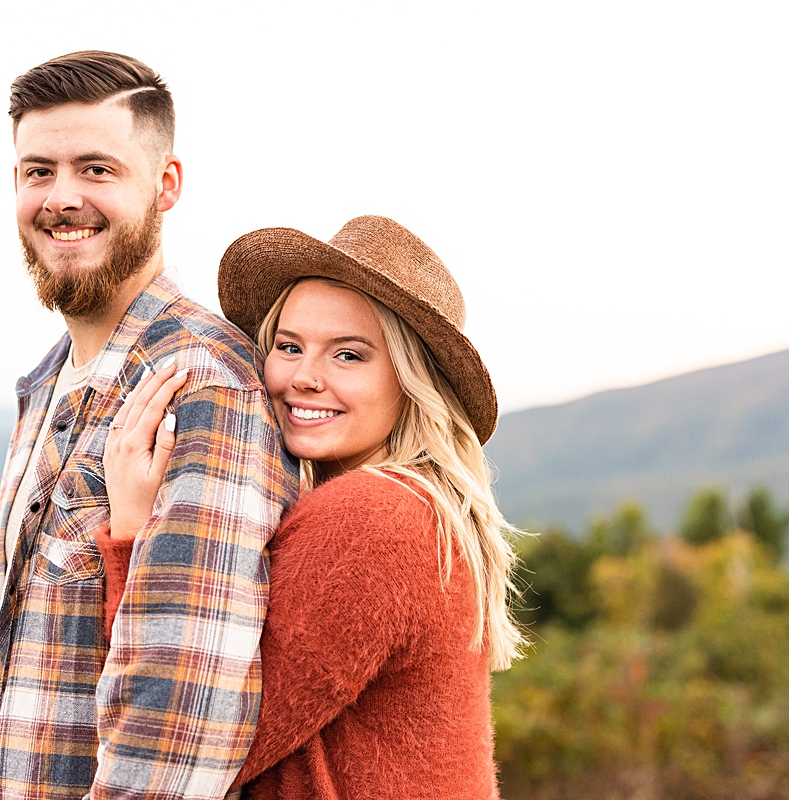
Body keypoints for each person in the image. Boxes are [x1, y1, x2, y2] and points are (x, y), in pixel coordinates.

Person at [0, 51, 298, 800]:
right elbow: (1, 708)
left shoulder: (201, 383)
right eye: (38, 171)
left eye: (97, 170)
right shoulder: (47, 385)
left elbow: (184, 715)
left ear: (165, 184)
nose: (62, 197)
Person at [101, 215, 527, 799]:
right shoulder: (420, 506)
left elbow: (201, 742)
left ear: (411, 380)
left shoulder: (373, 517)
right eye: (289, 346)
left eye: (348, 356)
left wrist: (131, 535)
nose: (304, 377)